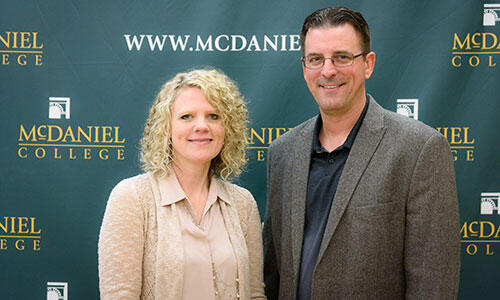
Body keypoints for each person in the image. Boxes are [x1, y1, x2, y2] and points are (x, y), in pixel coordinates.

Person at [263, 6, 460, 300]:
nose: (328, 71)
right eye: (316, 59)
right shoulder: (282, 152)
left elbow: (434, 282)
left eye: (342, 57)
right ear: (304, 67)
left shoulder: (420, 149)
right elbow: (273, 272)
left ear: (368, 64)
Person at [98, 68, 266, 300]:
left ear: (227, 129)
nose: (201, 126)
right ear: (166, 128)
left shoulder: (243, 203)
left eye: (213, 116)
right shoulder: (132, 198)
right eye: (186, 116)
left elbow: (255, 294)